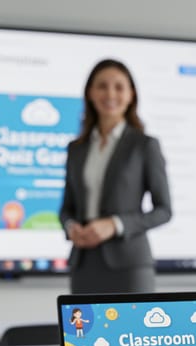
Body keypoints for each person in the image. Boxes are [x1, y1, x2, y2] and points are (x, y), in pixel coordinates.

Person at [59, 59, 171, 294]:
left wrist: (115, 225)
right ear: (90, 93)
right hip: (84, 264)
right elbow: (66, 207)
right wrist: (71, 227)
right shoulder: (76, 149)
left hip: (129, 266)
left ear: (131, 95)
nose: (110, 93)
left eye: (119, 87)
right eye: (102, 86)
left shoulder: (144, 146)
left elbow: (164, 210)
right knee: (84, 331)